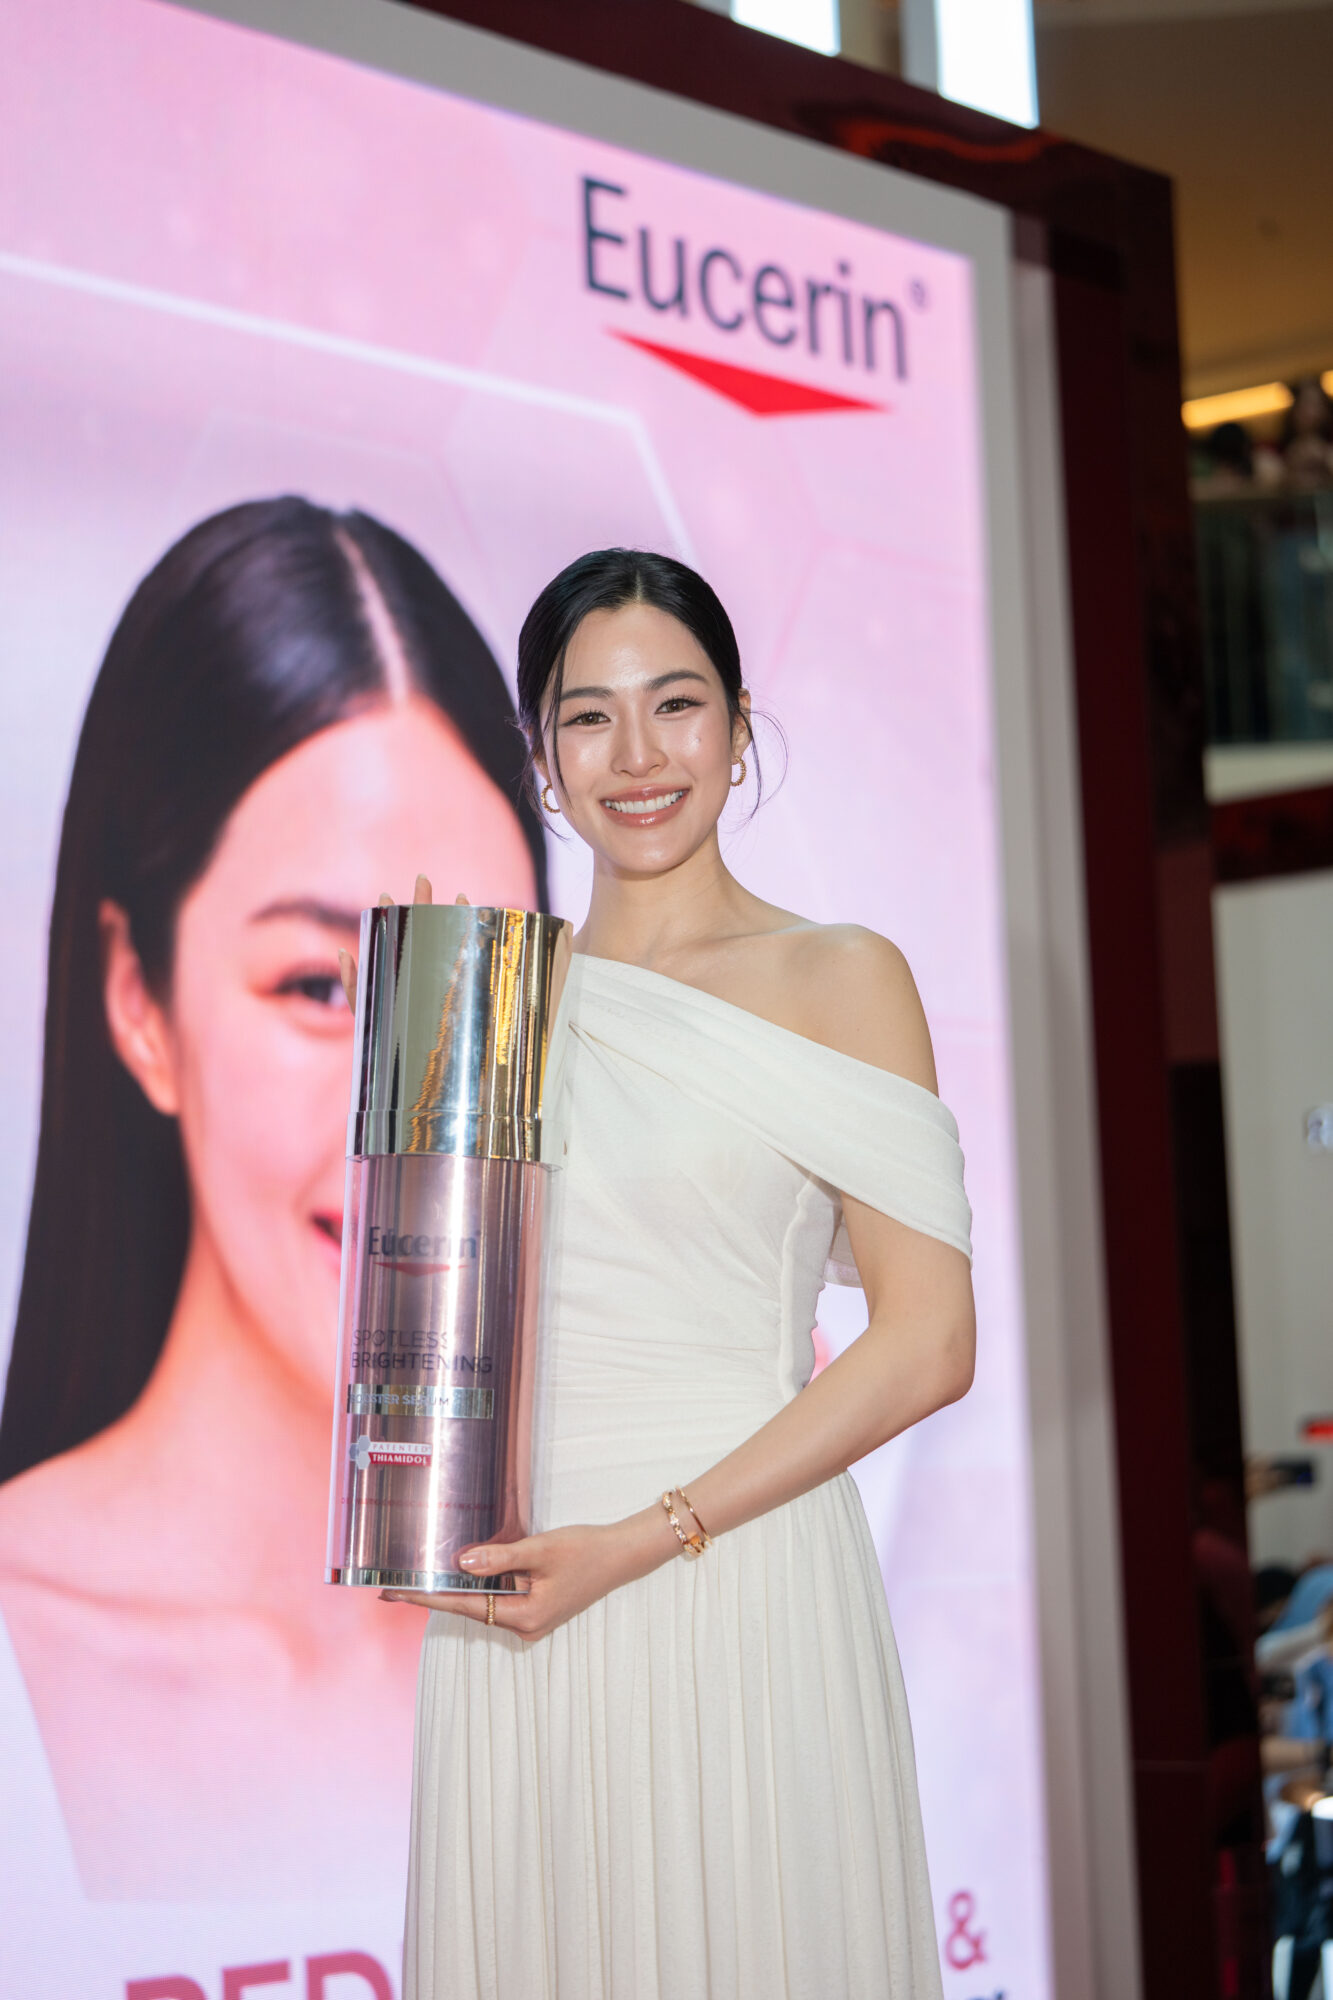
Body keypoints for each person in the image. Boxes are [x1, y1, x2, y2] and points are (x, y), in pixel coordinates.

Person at [381, 548, 977, 1999]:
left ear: (739, 724)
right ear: (540, 757)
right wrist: (411, 1065)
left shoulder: (840, 974)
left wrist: (648, 1537)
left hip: (737, 1571)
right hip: (519, 1601)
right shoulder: (488, 1000)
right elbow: (431, 1340)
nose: (638, 756)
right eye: (589, 718)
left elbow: (928, 1343)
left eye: (677, 704)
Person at [0, 497, 544, 1899]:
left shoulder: (590, 1616)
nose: (418, 1124)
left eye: (474, 988)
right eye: (318, 985)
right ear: (139, 999)